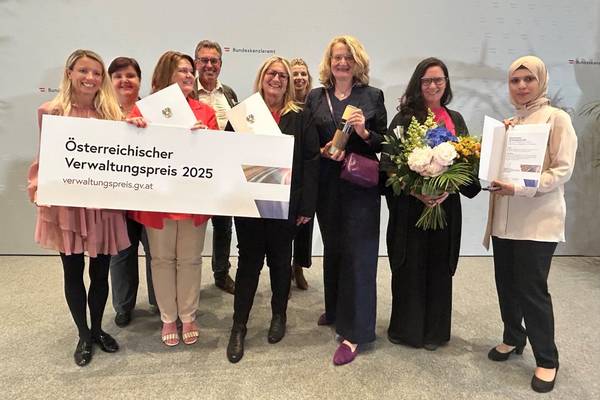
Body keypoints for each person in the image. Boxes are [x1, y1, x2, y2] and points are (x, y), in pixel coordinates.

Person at [27, 49, 130, 366]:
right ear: (69, 73)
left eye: (97, 73)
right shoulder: (51, 111)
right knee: (72, 271)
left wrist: (136, 127)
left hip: (102, 205)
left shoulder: (112, 116)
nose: (90, 78)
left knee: (100, 273)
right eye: (84, 71)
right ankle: (84, 335)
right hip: (68, 206)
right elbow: (47, 155)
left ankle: (97, 329)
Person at [484, 55, 577, 393]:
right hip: (505, 221)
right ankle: (513, 336)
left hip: (537, 222)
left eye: (528, 79)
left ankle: (547, 359)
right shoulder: (511, 123)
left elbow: (563, 169)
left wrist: (521, 187)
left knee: (532, 290)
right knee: (506, 284)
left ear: (541, 81)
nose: (521, 86)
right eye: (515, 80)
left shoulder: (557, 119)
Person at [382, 57, 480, 351]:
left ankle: (435, 333)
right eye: (427, 81)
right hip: (411, 209)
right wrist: (417, 192)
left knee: (439, 269)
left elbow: (467, 164)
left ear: (446, 84)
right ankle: (407, 331)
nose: (433, 85)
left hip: (445, 207)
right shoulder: (404, 119)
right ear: (418, 83)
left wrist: (447, 190)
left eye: (438, 80)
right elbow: (389, 164)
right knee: (410, 268)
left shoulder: (455, 118)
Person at [226, 56, 319, 363]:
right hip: (250, 203)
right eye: (271, 73)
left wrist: (306, 206)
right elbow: (226, 154)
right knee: (248, 264)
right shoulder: (243, 113)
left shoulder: (301, 116)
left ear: (288, 82)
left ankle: (279, 316)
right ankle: (238, 326)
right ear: (262, 77)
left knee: (281, 263)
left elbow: (311, 161)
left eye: (282, 75)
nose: (276, 79)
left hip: (286, 203)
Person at [304, 35, 387, 365]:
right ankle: (337, 309)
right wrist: (322, 150)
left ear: (358, 62)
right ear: (329, 62)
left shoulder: (372, 96)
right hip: (327, 186)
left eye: (348, 58)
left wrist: (364, 132)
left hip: (360, 187)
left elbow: (385, 143)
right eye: (337, 57)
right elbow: (307, 140)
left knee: (359, 257)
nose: (342, 62)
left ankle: (355, 333)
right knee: (335, 249)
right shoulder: (315, 96)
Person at [128, 51, 218, 347]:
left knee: (190, 260)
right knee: (162, 260)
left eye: (191, 70)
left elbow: (218, 156)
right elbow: (129, 150)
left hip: (192, 199)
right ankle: (168, 317)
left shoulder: (205, 112)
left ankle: (188, 315)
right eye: (182, 70)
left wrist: (205, 138)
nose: (190, 75)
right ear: (167, 74)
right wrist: (134, 129)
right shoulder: (143, 109)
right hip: (158, 200)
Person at [107, 57, 157, 327]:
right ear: (110, 81)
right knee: (121, 254)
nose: (124, 81)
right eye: (118, 76)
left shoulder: (153, 111)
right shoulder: (102, 112)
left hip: (149, 198)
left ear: (139, 80)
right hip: (116, 199)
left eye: (130, 75)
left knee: (155, 253)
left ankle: (159, 302)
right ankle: (123, 306)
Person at [193, 40, 238, 295]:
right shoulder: (186, 92)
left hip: (224, 171)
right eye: (204, 60)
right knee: (192, 227)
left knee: (223, 226)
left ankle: (221, 273)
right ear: (196, 62)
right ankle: (187, 277)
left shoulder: (229, 93)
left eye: (214, 60)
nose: (209, 65)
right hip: (195, 172)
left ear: (221, 64)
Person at [289, 57, 314, 289]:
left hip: (310, 169)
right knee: (287, 226)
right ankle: (284, 269)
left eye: (303, 73)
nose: (299, 78)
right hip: (288, 172)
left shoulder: (316, 103)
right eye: (294, 73)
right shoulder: (283, 102)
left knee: (305, 224)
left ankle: (298, 266)